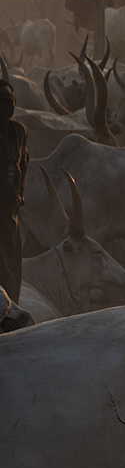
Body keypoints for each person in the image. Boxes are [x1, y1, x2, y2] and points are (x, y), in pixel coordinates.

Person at [0, 76, 25, 302]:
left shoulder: (19, 132)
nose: (7, 106)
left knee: (12, 266)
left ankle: (11, 309)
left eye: (10, 101)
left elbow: (23, 162)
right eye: (2, 102)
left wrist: (21, 193)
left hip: (10, 213)